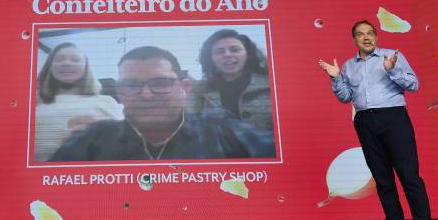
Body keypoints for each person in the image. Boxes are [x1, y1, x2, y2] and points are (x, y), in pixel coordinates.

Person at [319, 20, 438, 220]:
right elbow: (346, 97)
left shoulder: (391, 56)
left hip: (394, 119)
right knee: (382, 179)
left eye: (370, 33)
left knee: (409, 177)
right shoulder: (348, 66)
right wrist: (335, 77)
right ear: (354, 39)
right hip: (365, 121)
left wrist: (392, 69)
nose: (366, 37)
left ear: (376, 36)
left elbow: (414, 84)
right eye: (360, 34)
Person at [50, 46, 275, 161]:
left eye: (160, 82)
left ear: (184, 88)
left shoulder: (221, 128)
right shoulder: (95, 135)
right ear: (120, 92)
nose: (146, 95)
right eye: (131, 85)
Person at [34, 42, 124, 161]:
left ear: (86, 67)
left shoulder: (107, 102)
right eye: (59, 59)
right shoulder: (31, 104)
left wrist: (101, 131)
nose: (66, 63)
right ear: (49, 67)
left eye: (75, 59)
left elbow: (127, 144)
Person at [191, 29, 272, 130]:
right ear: (210, 58)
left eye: (235, 50)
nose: (227, 55)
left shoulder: (271, 83)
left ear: (248, 54)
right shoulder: (199, 90)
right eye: (220, 52)